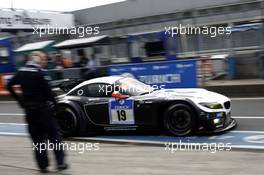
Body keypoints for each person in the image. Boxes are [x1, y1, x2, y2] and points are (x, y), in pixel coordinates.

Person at [7, 51, 68, 173]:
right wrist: (57, 107)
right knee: (54, 136)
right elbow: (49, 93)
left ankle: (43, 166)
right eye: (44, 59)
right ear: (37, 60)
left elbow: (9, 85)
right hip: (43, 110)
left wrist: (20, 100)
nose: (45, 62)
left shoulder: (21, 72)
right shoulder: (40, 73)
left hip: (29, 111)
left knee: (38, 140)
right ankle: (60, 162)